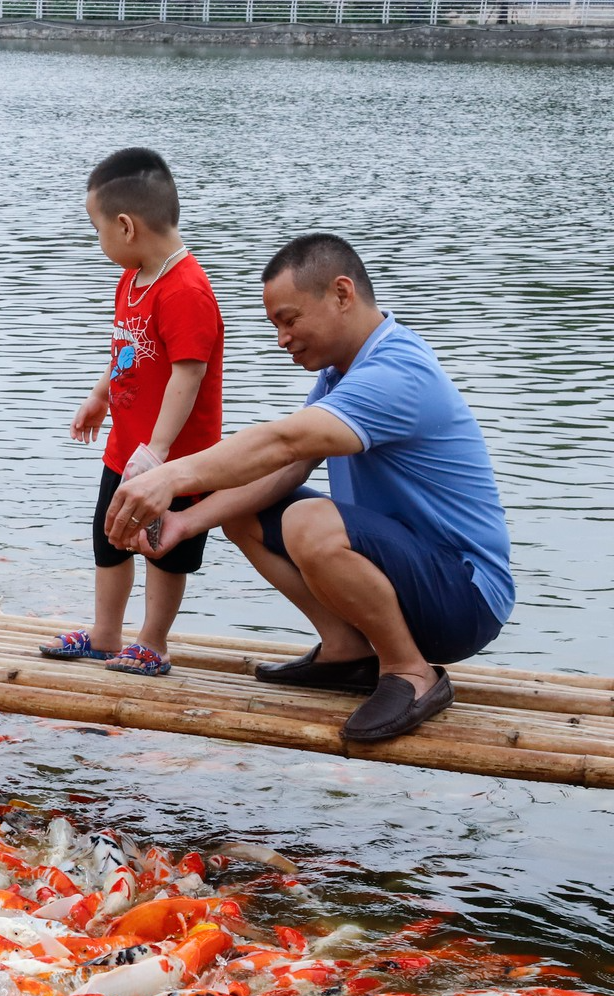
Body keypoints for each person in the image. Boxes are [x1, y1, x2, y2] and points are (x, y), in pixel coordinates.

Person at [107, 233, 513, 741]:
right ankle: (347, 651)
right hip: (413, 578)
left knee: (307, 521)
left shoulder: (399, 371)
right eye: (275, 324)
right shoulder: (344, 374)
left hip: (466, 599)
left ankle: (412, 673)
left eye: (289, 319)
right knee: (237, 507)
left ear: (342, 293)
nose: (282, 339)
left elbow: (285, 441)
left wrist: (170, 475)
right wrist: (187, 522)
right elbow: (288, 468)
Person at [41, 148, 224, 678]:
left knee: (163, 548)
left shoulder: (186, 289)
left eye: (97, 230)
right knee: (110, 537)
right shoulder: (136, 276)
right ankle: (105, 635)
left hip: (175, 458)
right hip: (126, 448)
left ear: (125, 226)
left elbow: (187, 377)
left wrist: (160, 452)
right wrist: (100, 395)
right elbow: (127, 351)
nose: (98, 242)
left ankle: (153, 642)